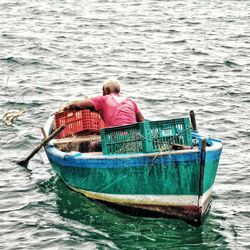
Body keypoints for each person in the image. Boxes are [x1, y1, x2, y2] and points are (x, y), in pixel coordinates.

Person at [63, 78, 144, 151]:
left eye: (103, 91)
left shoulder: (103, 99)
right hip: (134, 139)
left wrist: (68, 107)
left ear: (107, 90)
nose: (102, 93)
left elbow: (80, 105)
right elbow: (142, 121)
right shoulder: (130, 101)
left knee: (92, 145)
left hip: (116, 141)